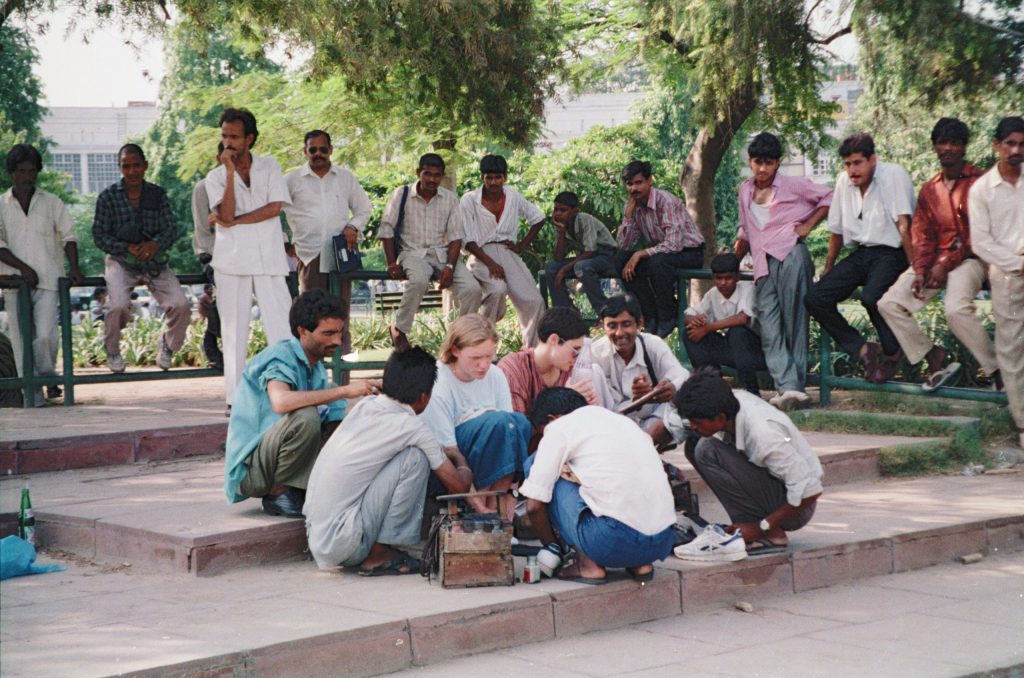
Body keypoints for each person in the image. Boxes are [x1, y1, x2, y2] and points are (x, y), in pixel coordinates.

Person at [304, 347, 472, 576]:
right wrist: (459, 458)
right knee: (415, 457)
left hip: (319, 538)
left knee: (406, 454)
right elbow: (460, 487)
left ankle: (380, 548)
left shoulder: (365, 405)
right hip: (345, 543)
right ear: (424, 396)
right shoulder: (412, 427)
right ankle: (379, 554)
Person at [223, 290, 377, 516]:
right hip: (251, 471)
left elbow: (334, 422)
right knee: (306, 415)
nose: (336, 340)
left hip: (272, 461)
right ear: (303, 332)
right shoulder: (280, 356)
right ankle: (279, 492)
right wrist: (344, 391)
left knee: (348, 418)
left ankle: (300, 488)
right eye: (328, 333)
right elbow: (281, 402)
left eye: (339, 332)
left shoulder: (317, 370)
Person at [878, 118, 998, 390]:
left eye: (954, 143)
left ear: (964, 147)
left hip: (971, 259)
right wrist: (920, 270)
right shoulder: (930, 189)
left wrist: (945, 263)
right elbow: (922, 235)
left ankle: (998, 370)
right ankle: (933, 356)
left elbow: (976, 234)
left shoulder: (978, 182)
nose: (948, 148)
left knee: (955, 309)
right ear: (934, 147)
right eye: (942, 142)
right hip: (933, 263)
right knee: (890, 303)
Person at [521, 387, 676, 584]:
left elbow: (534, 506)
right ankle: (640, 564)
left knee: (535, 464)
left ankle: (588, 565)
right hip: (661, 541)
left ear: (551, 419)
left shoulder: (560, 427)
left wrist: (552, 547)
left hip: (612, 540)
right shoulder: (622, 422)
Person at [670, 369, 823, 559]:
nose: (693, 424)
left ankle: (770, 534)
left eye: (697, 421)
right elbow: (672, 425)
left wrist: (761, 527)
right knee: (694, 442)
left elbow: (810, 490)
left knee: (707, 449)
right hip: (776, 489)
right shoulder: (728, 401)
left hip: (796, 507)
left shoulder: (763, 435)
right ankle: (744, 527)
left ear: (719, 418)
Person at [804, 132, 916, 383]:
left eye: (858, 163)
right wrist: (829, 267)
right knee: (815, 297)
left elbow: (904, 225)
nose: (852, 170)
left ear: (872, 159)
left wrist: (915, 268)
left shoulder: (893, 176)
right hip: (862, 252)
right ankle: (862, 349)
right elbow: (836, 229)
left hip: (892, 252)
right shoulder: (844, 181)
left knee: (871, 297)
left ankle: (892, 351)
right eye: (847, 164)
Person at [205, 107, 294, 410]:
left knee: (281, 327)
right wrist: (229, 173)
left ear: (249, 139)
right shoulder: (214, 177)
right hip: (231, 262)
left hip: (269, 258)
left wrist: (237, 221)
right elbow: (225, 213)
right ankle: (235, 400)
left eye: (234, 136)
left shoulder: (269, 166)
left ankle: (289, 389)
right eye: (225, 136)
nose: (228, 142)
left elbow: (274, 208)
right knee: (233, 333)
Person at [734, 132, 832, 408]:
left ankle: (795, 389)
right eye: (757, 162)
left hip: (791, 255)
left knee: (794, 323)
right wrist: (732, 256)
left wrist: (808, 226)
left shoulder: (793, 184)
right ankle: (786, 386)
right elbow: (745, 229)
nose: (762, 168)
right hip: (762, 264)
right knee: (769, 326)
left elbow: (829, 196)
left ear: (777, 163)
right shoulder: (744, 190)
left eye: (769, 162)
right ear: (750, 162)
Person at [419, 314, 531, 516]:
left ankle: (496, 509)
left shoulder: (495, 375)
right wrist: (476, 503)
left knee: (519, 424)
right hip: (451, 459)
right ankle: (482, 509)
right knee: (497, 424)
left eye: (489, 356)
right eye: (476, 358)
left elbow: (510, 433)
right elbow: (446, 450)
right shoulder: (438, 379)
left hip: (489, 450)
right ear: (455, 350)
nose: (484, 365)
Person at [92, 143, 190, 374]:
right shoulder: (107, 197)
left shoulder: (158, 194)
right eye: (127, 166)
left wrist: (154, 244)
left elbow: (171, 227)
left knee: (181, 305)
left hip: (155, 260)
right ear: (120, 168)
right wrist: (126, 248)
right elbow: (98, 234)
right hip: (121, 261)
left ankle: (167, 345)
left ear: (145, 166)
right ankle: (113, 351)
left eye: (136, 165)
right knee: (116, 305)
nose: (132, 171)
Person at [284, 130, 372, 383]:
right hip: (309, 254)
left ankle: (341, 380)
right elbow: (271, 209)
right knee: (312, 317)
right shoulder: (291, 180)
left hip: (340, 256)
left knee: (340, 314)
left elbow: (364, 209)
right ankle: (311, 378)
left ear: (331, 150)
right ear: (305, 151)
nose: (318, 154)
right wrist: (283, 242)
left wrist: (353, 227)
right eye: (313, 150)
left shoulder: (345, 178)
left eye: (323, 149)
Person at [0, 143, 83, 404]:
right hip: (15, 282)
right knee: (21, 341)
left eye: (32, 171)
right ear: (12, 173)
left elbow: (69, 236)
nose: (27, 176)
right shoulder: (2, 204)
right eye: (22, 171)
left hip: (47, 279)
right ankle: (33, 399)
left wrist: (75, 267)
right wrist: (23, 269)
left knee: (46, 335)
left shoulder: (52, 203)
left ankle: (48, 376)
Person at [379, 153, 481, 351]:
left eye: (437, 175)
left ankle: (461, 337)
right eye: (427, 174)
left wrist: (450, 266)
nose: (432, 179)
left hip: (441, 255)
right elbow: (386, 230)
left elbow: (455, 237)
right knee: (418, 280)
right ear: (418, 173)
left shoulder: (450, 199)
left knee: (472, 289)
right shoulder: (401, 194)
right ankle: (399, 329)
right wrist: (391, 263)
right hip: (411, 253)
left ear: (442, 176)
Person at [969, 116, 1024, 450]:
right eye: (1010, 144)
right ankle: (1022, 425)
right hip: (1006, 276)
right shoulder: (982, 190)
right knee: (1012, 352)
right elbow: (981, 243)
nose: (1016, 150)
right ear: (997, 145)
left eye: (1022, 144)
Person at [462, 155, 547, 347]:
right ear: (482, 177)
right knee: (496, 290)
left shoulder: (513, 195)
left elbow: (538, 218)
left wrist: (522, 246)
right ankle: (481, 344)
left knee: (534, 300)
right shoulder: (469, 200)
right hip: (481, 254)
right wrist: (491, 264)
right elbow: (467, 240)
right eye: (489, 177)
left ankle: (531, 352)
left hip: (508, 252)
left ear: (505, 177)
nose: (494, 182)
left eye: (498, 177)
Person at [616, 160, 705, 338]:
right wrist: (627, 217)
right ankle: (650, 316)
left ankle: (667, 316)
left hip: (690, 252)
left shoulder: (666, 201)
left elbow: (674, 244)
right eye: (630, 184)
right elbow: (624, 245)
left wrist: (641, 253)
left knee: (658, 262)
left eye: (638, 182)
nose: (634, 188)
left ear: (650, 181)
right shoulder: (633, 207)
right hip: (662, 253)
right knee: (620, 260)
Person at [591, 294, 689, 432]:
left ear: (640, 323)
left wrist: (671, 387)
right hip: (615, 424)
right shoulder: (596, 355)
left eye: (626, 324)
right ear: (603, 326)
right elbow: (606, 408)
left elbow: (682, 375)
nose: (619, 333)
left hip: (652, 418)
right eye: (612, 326)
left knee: (680, 411)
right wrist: (637, 401)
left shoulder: (653, 344)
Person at [683, 253, 767, 397]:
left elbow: (742, 319)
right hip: (733, 351)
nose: (723, 283)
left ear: (737, 278)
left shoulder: (747, 289)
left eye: (728, 278)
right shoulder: (712, 294)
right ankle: (712, 386)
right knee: (690, 333)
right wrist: (694, 320)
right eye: (718, 278)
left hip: (756, 352)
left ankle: (752, 390)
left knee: (737, 332)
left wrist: (707, 328)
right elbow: (689, 313)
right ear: (713, 278)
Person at [498, 306, 596, 415]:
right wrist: (565, 401)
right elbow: (516, 427)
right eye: (575, 351)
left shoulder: (571, 370)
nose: (577, 358)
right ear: (553, 339)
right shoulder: (514, 368)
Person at [543, 191, 620, 313]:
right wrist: (562, 231)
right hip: (588, 258)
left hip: (607, 256)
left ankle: (604, 311)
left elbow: (590, 251)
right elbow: (558, 258)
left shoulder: (584, 219)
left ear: (574, 211)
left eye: (563, 210)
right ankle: (565, 311)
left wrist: (564, 270)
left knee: (582, 266)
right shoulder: (560, 225)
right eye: (555, 209)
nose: (558, 213)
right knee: (552, 267)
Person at [197, 283, 223, 371]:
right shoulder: (208, 299)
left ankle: (218, 361)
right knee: (209, 343)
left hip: (215, 323)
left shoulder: (209, 300)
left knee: (209, 343)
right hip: (213, 323)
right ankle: (218, 361)